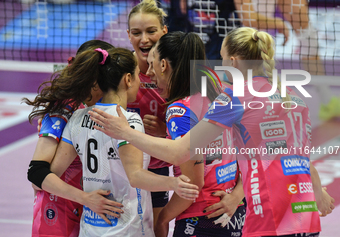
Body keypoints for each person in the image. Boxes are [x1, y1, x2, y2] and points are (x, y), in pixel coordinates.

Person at [89, 27, 335, 236]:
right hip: (304, 214)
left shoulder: (233, 97)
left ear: (234, 62)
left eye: (223, 57)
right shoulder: (290, 96)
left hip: (264, 215)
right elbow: (294, 156)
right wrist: (318, 190)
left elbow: (180, 152)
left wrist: (126, 132)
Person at [30, 47, 199, 236]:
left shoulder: (77, 117)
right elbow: (136, 177)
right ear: (127, 79)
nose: (140, 83)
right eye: (136, 76)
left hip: (90, 229)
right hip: (128, 229)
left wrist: (85, 198)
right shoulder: (129, 121)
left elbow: (48, 174)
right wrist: (174, 183)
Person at [146, 31, 245, 237]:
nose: (148, 72)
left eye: (152, 64)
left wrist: (163, 219)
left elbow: (194, 184)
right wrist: (237, 195)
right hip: (235, 211)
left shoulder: (180, 111)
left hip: (202, 217)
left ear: (163, 65)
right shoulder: (221, 90)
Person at [23, 40, 122, 237]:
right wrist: (85, 198)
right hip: (59, 208)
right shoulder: (65, 106)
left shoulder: (109, 104)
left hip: (91, 206)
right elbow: (37, 175)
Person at [154, 0, 289, 60]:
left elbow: (182, 8)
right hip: (224, 56)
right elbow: (249, 19)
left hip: (192, 52)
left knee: (195, 104)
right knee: (223, 106)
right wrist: (279, 23)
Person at [126, 0, 172, 226]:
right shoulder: (119, 69)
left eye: (151, 31)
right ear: (128, 35)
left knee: (157, 226)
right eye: (136, 33)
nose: (144, 40)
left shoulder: (175, 72)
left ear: (164, 31)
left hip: (157, 165)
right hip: (121, 165)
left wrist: (167, 130)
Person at [250, 0, 325, 75]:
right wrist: (278, 23)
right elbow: (249, 18)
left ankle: (322, 87)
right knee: (256, 44)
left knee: (308, 38)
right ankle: (250, 85)